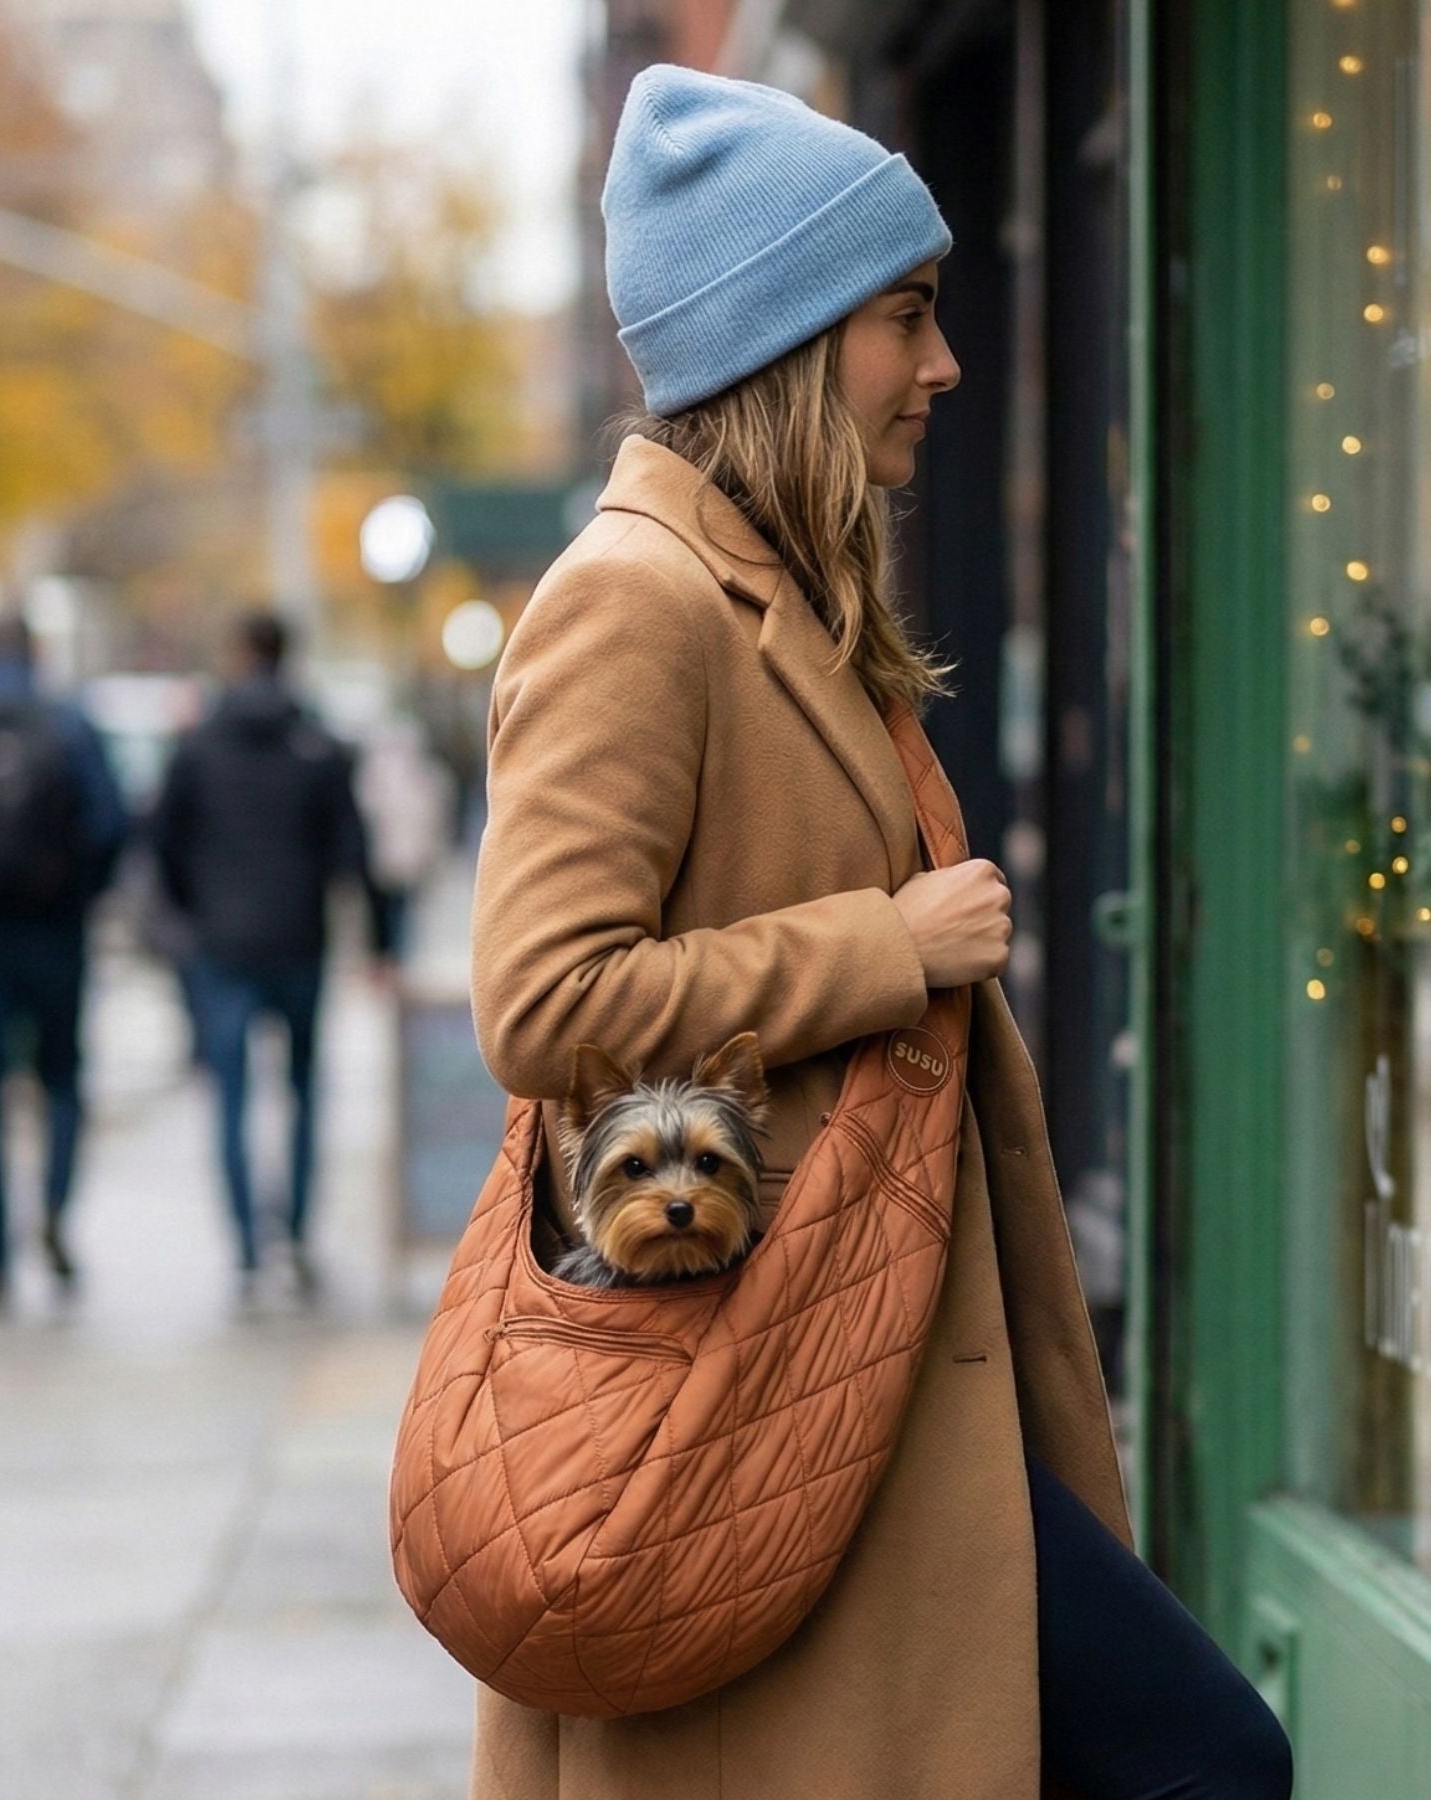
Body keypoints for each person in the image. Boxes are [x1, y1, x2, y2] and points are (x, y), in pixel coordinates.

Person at [464, 66, 1294, 1800]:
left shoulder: (778, 587)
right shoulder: (634, 602)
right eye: (903, 319)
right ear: (780, 344)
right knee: (1207, 1759)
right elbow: (541, 1002)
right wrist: (883, 947)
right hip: (756, 1382)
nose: (946, 365)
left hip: (872, 1369)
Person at [150, 610, 386, 1296]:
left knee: (230, 1095)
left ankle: (248, 1245)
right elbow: (353, 850)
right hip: (299, 943)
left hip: (221, 946)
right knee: (305, 1088)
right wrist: (377, 940)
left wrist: (188, 917)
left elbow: (162, 840)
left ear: (236, 654)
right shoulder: (317, 743)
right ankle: (301, 1235)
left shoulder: (199, 745)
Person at [0, 610, 128, 1304]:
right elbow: (110, 821)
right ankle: (53, 1209)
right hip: (54, 932)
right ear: (36, 651)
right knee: (62, 1082)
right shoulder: (68, 723)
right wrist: (78, 894)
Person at [353, 714, 456, 960]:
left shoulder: (425, 776)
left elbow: (436, 817)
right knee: (393, 913)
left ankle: (395, 959)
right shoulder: (422, 776)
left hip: (399, 858)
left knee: (398, 913)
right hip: (392, 858)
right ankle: (393, 959)